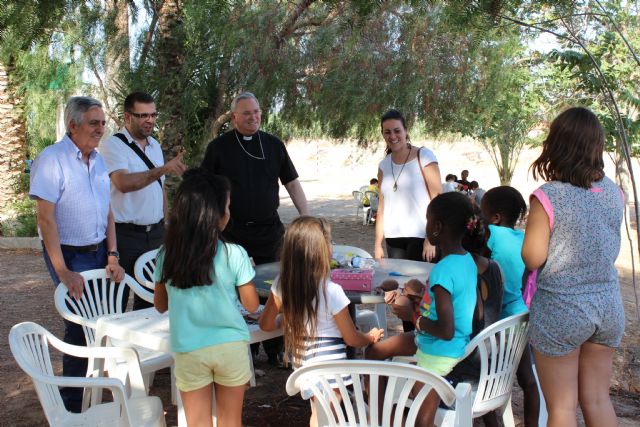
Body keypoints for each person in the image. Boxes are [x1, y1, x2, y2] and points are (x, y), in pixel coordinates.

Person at [522, 107, 624, 427]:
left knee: (562, 408)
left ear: (557, 145)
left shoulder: (548, 195)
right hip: (608, 306)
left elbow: (533, 257)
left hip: (562, 310)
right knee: (597, 399)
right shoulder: (614, 192)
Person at [29, 96, 125, 412]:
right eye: (93, 123)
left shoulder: (98, 160)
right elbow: (45, 220)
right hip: (69, 255)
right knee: (79, 327)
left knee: (105, 323)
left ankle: (97, 392)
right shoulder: (51, 159)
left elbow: (107, 211)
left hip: (99, 251)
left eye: (102, 123)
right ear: (73, 126)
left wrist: (112, 255)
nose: (101, 129)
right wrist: (63, 271)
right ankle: (73, 404)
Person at [201, 91, 309, 364]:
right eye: (246, 113)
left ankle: (277, 352)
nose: (253, 117)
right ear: (234, 117)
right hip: (233, 234)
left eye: (257, 111)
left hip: (270, 232)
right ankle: (244, 352)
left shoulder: (273, 145)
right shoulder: (218, 148)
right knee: (240, 293)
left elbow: (292, 182)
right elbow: (206, 189)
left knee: (277, 290)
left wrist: (306, 215)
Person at [154, 168, 259, 427]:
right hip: (230, 347)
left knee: (197, 423)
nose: (229, 212)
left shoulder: (166, 254)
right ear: (218, 215)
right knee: (230, 422)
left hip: (189, 349)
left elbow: (160, 305)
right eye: (228, 206)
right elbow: (252, 305)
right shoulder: (235, 254)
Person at [259, 216, 384, 427]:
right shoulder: (332, 291)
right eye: (329, 241)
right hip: (330, 366)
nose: (332, 246)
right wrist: (370, 337)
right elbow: (351, 338)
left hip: (304, 365)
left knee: (319, 413)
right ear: (319, 250)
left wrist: (284, 320)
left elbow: (266, 324)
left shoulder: (282, 284)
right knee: (328, 417)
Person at [101, 92, 186, 310]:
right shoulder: (113, 145)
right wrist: (163, 169)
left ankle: (144, 344)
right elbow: (122, 183)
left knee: (152, 300)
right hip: (124, 236)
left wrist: (166, 225)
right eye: (143, 115)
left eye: (153, 115)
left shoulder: (155, 145)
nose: (150, 120)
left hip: (155, 234)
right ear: (127, 117)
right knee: (116, 299)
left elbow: (161, 190)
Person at [374, 108, 442, 331]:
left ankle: (427, 343)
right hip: (395, 240)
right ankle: (409, 339)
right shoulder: (384, 165)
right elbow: (382, 207)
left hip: (422, 236)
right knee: (402, 295)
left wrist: (431, 239)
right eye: (387, 132)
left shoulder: (425, 156)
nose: (392, 136)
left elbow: (438, 200)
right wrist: (377, 243)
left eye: (396, 131)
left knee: (422, 294)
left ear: (406, 130)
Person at [481, 185, 541, 426]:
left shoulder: (491, 233)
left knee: (484, 376)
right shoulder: (523, 238)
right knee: (527, 379)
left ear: (495, 217)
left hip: (493, 318)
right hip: (519, 315)